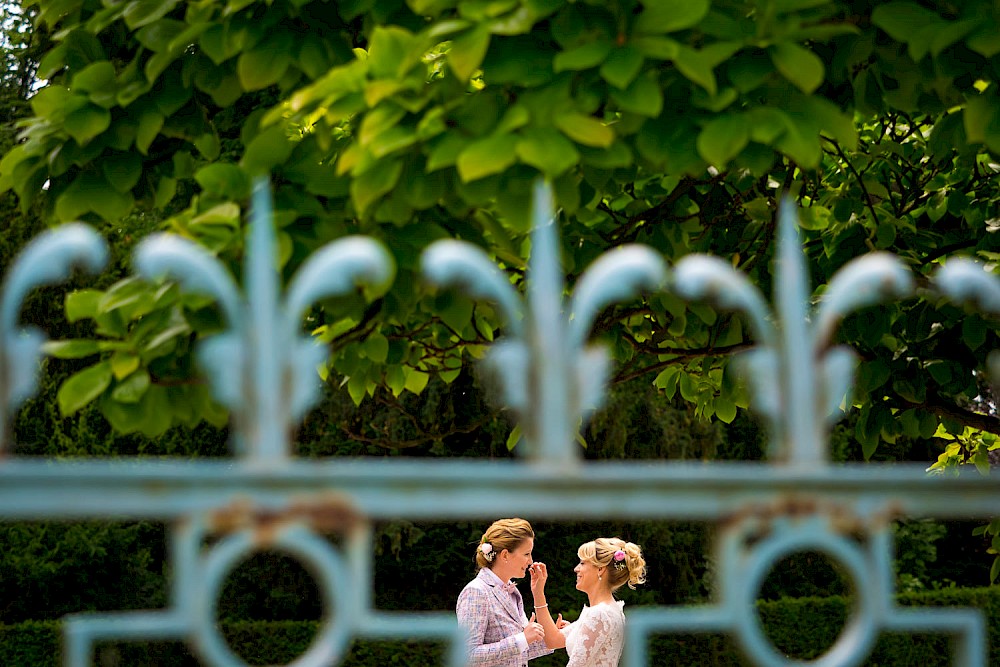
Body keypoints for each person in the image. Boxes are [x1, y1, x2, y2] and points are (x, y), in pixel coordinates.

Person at [528, 537, 646, 667]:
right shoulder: (609, 610)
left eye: (583, 563)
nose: (576, 569)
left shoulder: (599, 614)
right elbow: (553, 640)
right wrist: (538, 593)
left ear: (600, 569)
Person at [456, 518, 553, 666]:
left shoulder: (512, 592)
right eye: (526, 554)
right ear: (505, 555)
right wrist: (522, 638)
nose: (530, 561)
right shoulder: (476, 592)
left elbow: (517, 653)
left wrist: (556, 634)